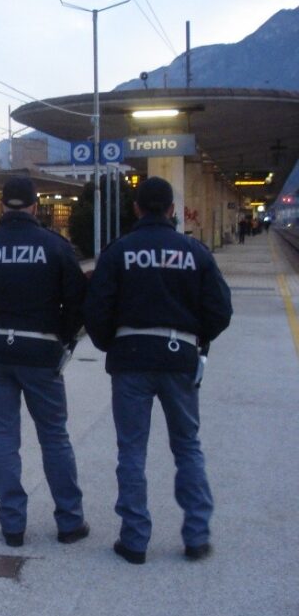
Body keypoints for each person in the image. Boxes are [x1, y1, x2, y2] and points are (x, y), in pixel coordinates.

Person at [83, 177, 232, 565]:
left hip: (130, 357)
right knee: (187, 445)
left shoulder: (119, 252)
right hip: (179, 356)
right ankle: (196, 536)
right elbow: (220, 311)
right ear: (171, 211)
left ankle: (134, 540)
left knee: (131, 448)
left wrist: (110, 343)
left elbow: (96, 309)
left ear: (136, 208)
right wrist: (195, 338)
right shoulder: (194, 251)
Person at [0, 176, 89, 548]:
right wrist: (63, 335)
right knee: (54, 436)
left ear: (4, 205)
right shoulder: (55, 247)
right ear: (35, 207)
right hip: (40, 352)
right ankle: (70, 522)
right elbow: (78, 301)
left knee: (4, 436)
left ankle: (12, 525)